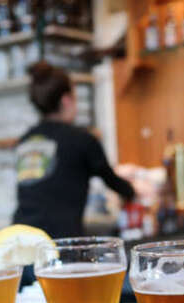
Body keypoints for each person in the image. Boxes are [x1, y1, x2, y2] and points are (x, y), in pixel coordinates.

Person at [12, 62, 135, 238]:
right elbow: (112, 181)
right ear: (66, 100)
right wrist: (134, 192)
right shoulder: (81, 140)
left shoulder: (25, 141)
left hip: (19, 237)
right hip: (59, 241)